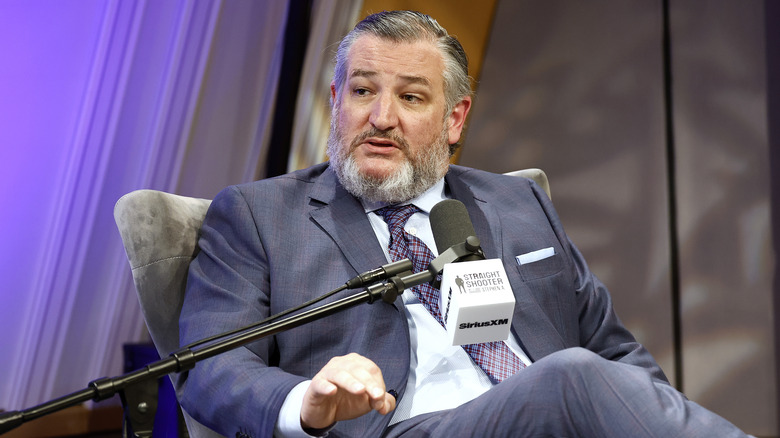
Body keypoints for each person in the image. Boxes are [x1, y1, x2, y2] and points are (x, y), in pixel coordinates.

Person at [178, 10, 750, 438]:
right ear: (335, 99)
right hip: (398, 427)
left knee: (579, 375)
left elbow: (617, 354)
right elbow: (209, 367)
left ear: (455, 118)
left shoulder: (518, 202)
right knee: (570, 375)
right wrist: (307, 400)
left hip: (548, 420)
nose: (381, 118)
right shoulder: (259, 215)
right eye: (362, 91)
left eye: (410, 97)